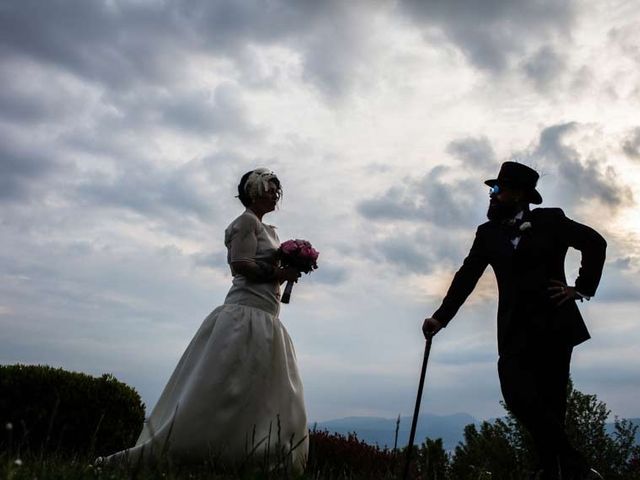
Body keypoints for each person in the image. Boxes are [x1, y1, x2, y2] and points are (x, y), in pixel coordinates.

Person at [104, 168, 308, 473]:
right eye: (268, 189)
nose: (274, 195)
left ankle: (251, 454)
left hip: (267, 315)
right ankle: (195, 447)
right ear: (252, 191)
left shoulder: (271, 230)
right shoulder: (245, 224)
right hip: (244, 314)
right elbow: (240, 266)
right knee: (225, 384)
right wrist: (279, 273)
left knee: (261, 389)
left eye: (276, 190)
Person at [422, 162, 606, 480]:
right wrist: (441, 317)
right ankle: (576, 467)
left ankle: (554, 471)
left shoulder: (551, 220)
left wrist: (581, 288)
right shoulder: (488, 233)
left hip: (555, 327)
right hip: (513, 331)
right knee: (516, 395)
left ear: (519, 194)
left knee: (552, 406)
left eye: (498, 189)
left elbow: (595, 243)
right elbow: (467, 276)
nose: (491, 195)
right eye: (492, 190)